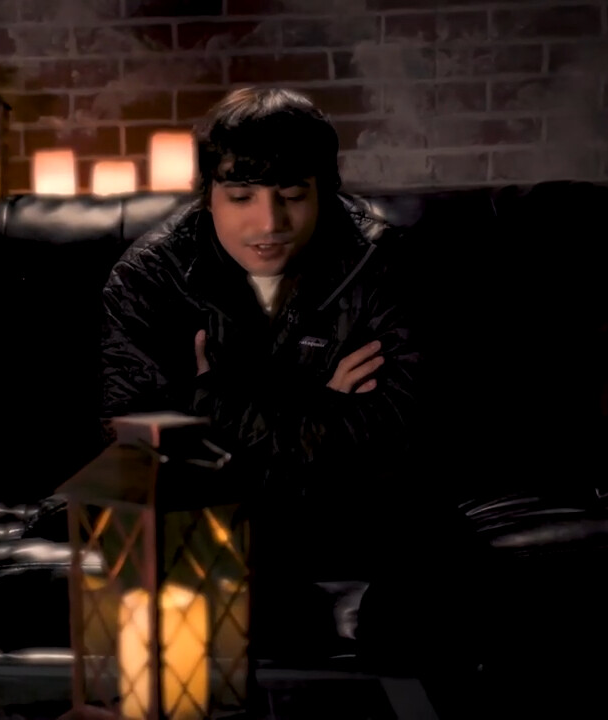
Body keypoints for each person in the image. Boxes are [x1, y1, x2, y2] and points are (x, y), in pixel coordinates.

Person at [99, 87, 438, 663]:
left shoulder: (379, 262)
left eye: (293, 195)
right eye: (241, 197)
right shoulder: (151, 277)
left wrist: (214, 401)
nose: (270, 222)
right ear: (208, 196)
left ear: (324, 191)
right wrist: (320, 400)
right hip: (221, 514)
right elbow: (139, 449)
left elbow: (396, 434)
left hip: (355, 512)